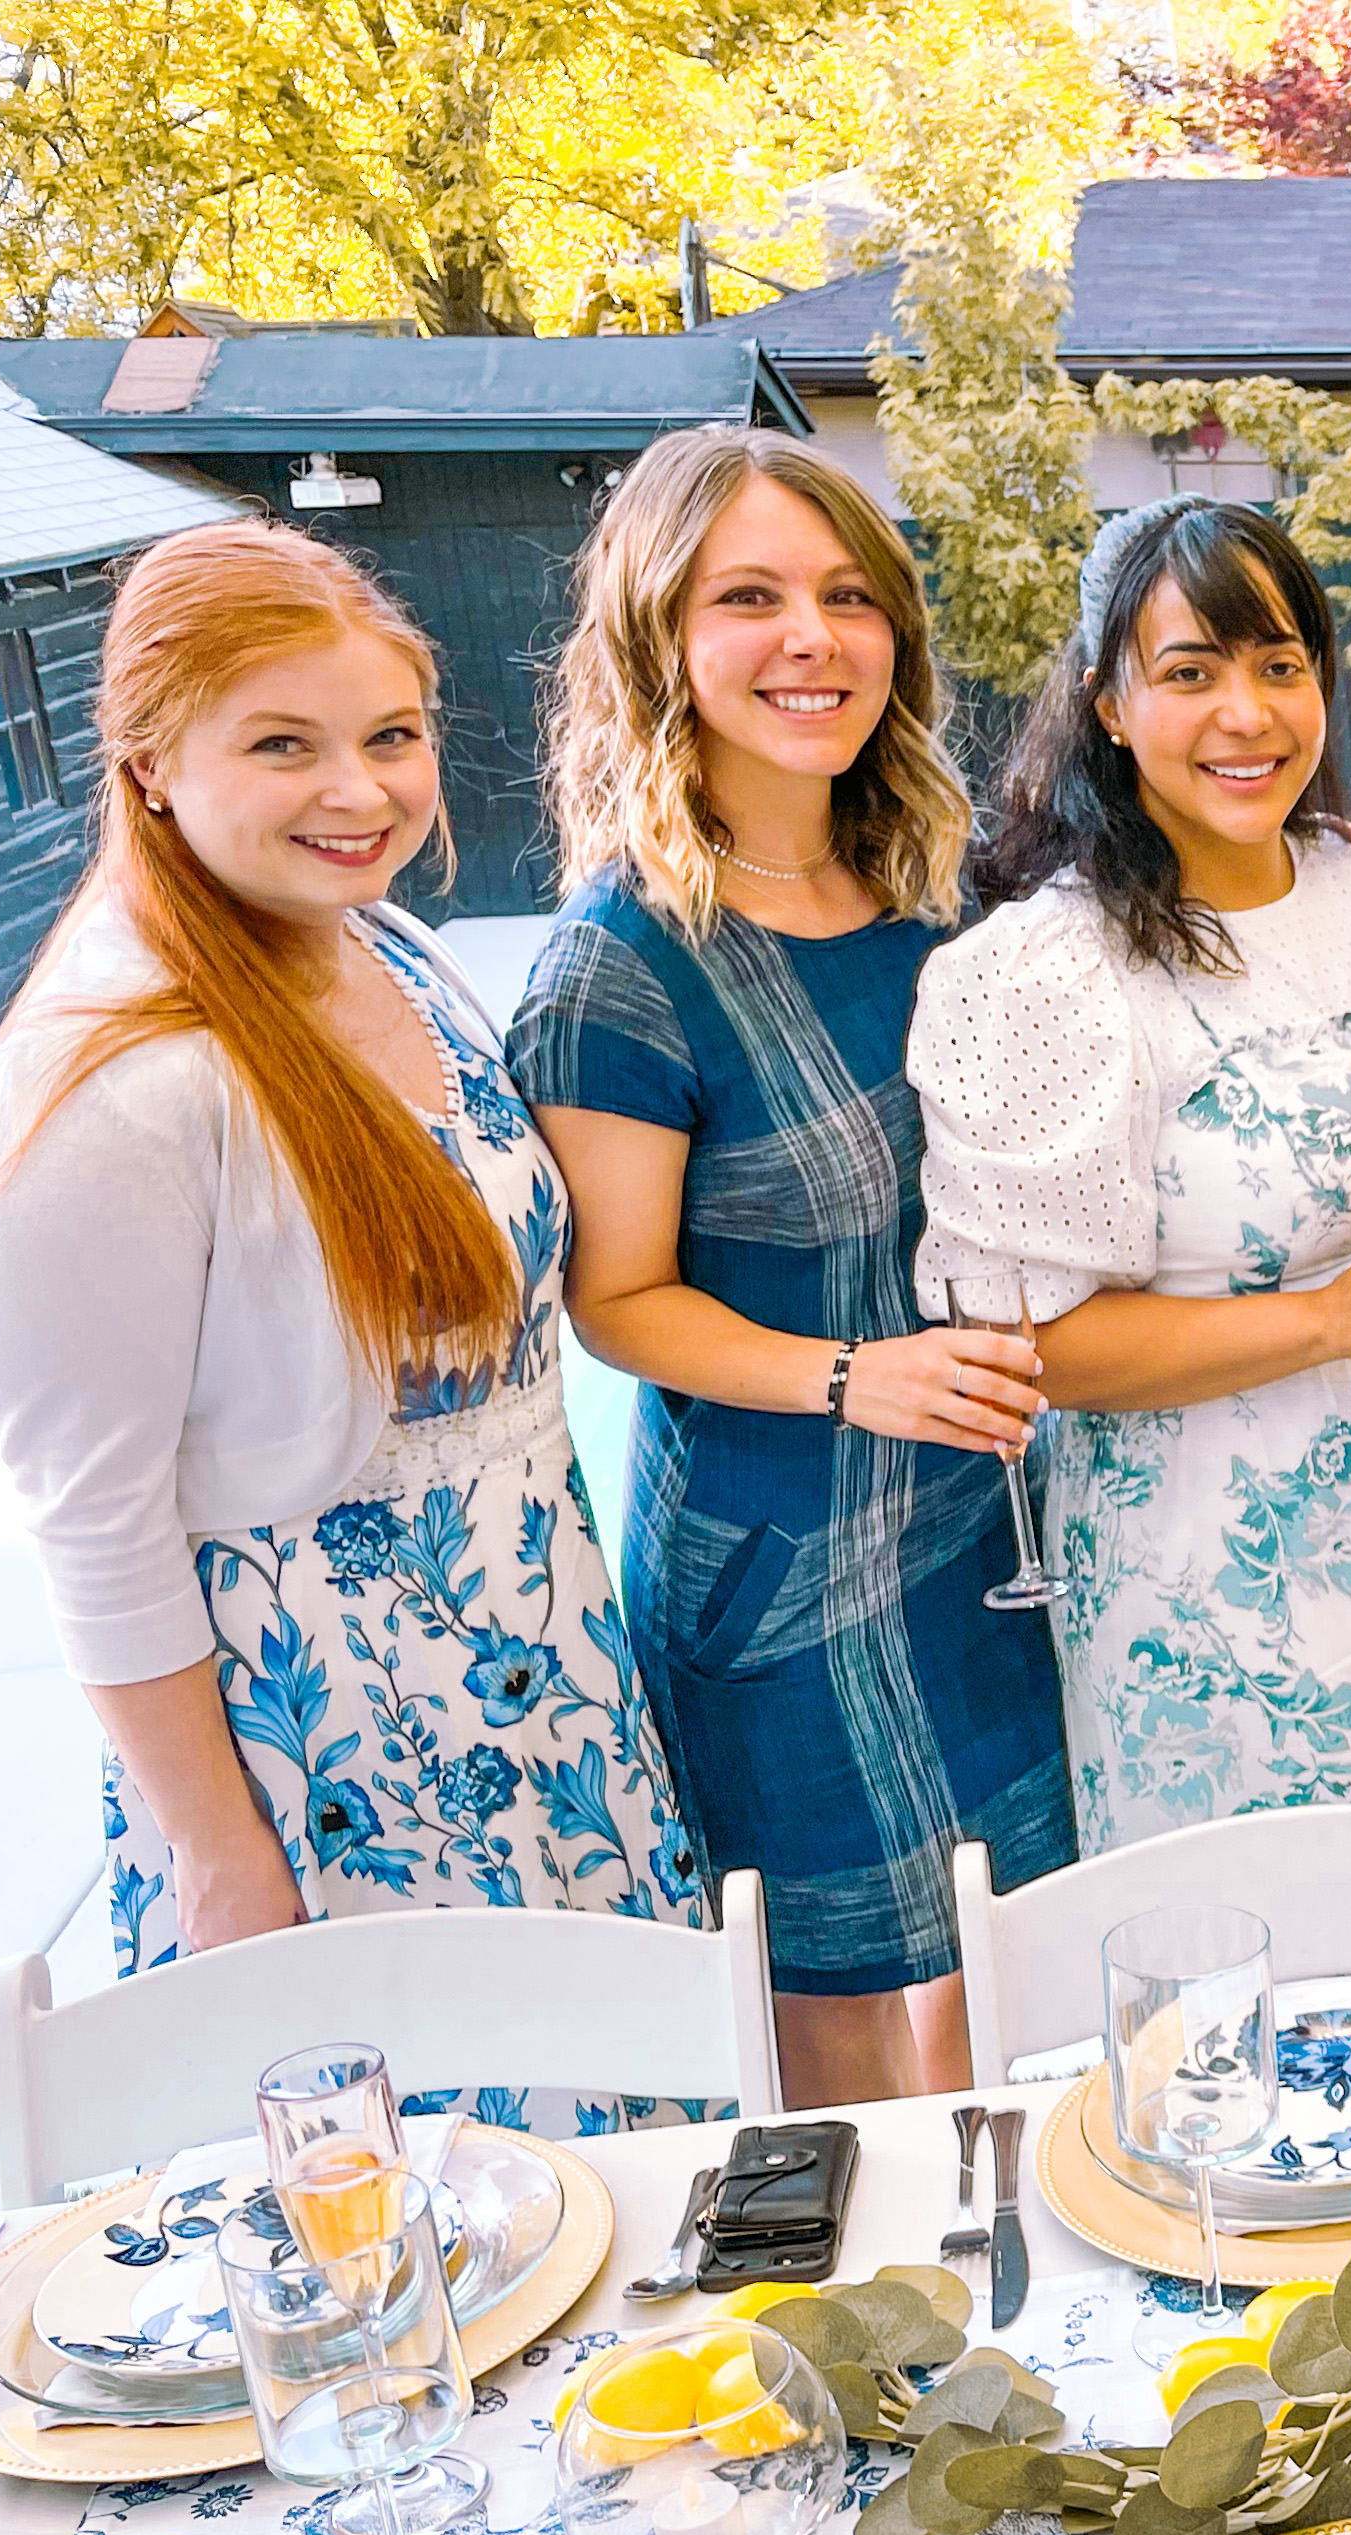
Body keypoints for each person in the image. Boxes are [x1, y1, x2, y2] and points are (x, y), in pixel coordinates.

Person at [0, 523, 698, 1968]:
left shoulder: (392, 953)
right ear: (150, 766)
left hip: (540, 1660)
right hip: (331, 1738)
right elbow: (93, 1518)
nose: (360, 792)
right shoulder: (114, 1081)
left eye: (391, 736)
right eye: (282, 746)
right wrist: (218, 1849)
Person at [513, 427, 1071, 2104]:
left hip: (987, 1538)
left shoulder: (936, 895)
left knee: (1007, 1979)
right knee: (843, 2038)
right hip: (780, 1574)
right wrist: (852, 1376)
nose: (810, 639)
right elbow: (616, 1305)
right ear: (658, 638)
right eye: (747, 598)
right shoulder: (619, 965)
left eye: (847, 596)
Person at [914, 498, 1351, 1853]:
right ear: (1110, 705)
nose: (1245, 715)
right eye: (1190, 672)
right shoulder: (1042, 974)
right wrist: (1331, 1319)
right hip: (1209, 1574)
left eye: (1279, 665)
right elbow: (1030, 1345)